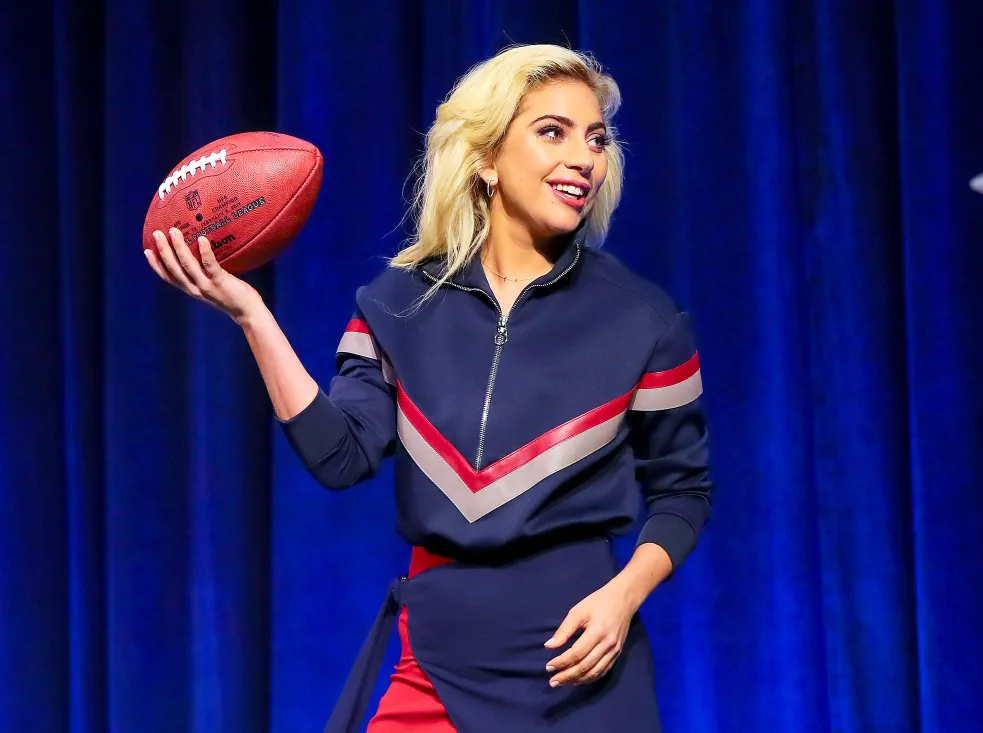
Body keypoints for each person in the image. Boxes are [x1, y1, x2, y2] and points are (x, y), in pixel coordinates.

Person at [144, 43, 713, 733]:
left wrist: (624, 597)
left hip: (578, 669)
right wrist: (252, 316)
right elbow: (340, 457)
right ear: (485, 159)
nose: (584, 157)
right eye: (552, 132)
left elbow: (683, 491)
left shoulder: (643, 319)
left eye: (595, 138)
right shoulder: (396, 303)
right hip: (438, 665)